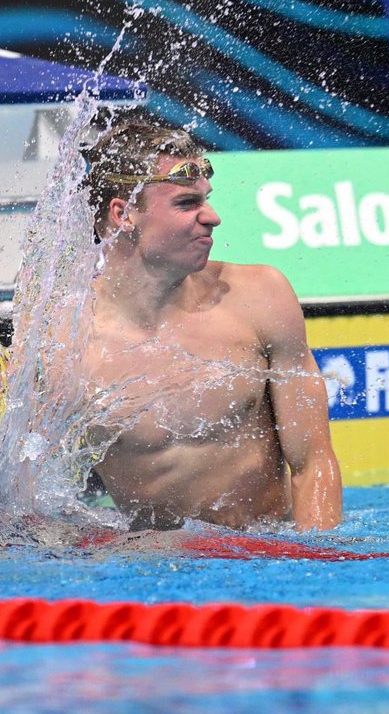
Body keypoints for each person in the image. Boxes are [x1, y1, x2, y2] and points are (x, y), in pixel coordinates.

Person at [80, 119, 342, 532]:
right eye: (187, 203)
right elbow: (32, 498)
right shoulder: (63, 339)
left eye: (206, 199)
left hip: (267, 551)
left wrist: (316, 558)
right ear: (123, 214)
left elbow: (313, 462)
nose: (213, 217)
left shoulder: (259, 296)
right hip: (149, 563)